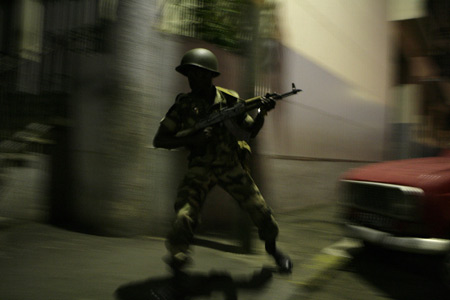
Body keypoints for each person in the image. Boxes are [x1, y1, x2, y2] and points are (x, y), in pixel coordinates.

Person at [153, 48, 293, 273]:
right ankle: (178, 259)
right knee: (183, 215)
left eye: (197, 74)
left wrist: (261, 113)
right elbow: (160, 139)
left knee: (261, 210)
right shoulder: (183, 105)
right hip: (200, 166)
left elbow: (249, 131)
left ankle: (273, 249)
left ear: (209, 75)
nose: (191, 79)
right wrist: (192, 137)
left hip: (230, 164)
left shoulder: (230, 100)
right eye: (189, 74)